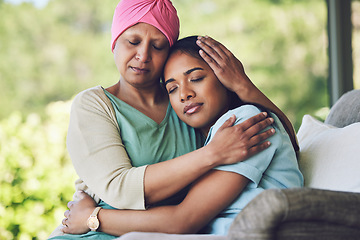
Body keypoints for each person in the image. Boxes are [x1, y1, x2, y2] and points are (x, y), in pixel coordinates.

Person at [49, 0, 299, 238]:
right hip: (95, 232)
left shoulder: (190, 112)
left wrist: (243, 86)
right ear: (114, 41)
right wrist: (214, 153)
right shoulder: (96, 104)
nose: (143, 55)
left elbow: (283, 140)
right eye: (132, 41)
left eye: (157, 46)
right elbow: (121, 190)